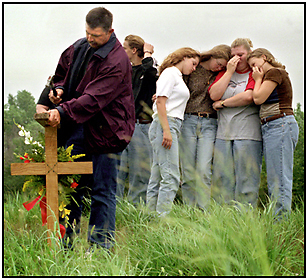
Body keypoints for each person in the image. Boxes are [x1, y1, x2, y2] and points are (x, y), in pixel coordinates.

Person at [47, 7, 135, 250]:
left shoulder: (117, 61)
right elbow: (61, 73)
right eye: (87, 33)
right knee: (72, 188)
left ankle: (100, 248)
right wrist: (61, 90)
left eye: (95, 35)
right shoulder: (79, 47)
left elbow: (94, 99)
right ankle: (65, 243)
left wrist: (62, 111)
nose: (90, 39)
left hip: (108, 132)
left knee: (102, 193)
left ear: (110, 31)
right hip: (79, 127)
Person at [209, 38, 262, 208]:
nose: (237, 58)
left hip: (248, 133)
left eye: (241, 54)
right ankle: (224, 220)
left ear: (249, 54)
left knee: (246, 179)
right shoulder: (224, 73)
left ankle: (245, 219)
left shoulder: (254, 73)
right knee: (222, 178)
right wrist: (229, 72)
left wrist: (223, 104)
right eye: (233, 55)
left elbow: (248, 97)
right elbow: (214, 94)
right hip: (224, 134)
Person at [146, 47, 200, 216]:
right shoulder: (170, 73)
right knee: (171, 176)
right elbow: (161, 103)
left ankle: (150, 218)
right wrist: (166, 131)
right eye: (193, 63)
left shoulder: (176, 76)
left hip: (170, 123)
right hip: (166, 123)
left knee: (158, 175)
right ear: (184, 57)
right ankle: (163, 219)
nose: (194, 68)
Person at [247, 48, 299, 217]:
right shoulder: (270, 75)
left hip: (280, 124)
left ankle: (281, 224)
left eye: (254, 64)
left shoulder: (275, 72)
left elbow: (258, 98)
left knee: (280, 179)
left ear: (264, 57)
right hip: (272, 126)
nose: (254, 69)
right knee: (275, 178)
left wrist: (258, 79)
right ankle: (277, 221)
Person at [180, 44, 231, 210]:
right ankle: (189, 209)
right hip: (188, 120)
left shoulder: (221, 75)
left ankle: (203, 210)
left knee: (203, 169)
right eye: (219, 62)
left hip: (210, 122)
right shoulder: (194, 68)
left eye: (223, 66)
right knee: (187, 169)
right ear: (213, 55)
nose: (219, 67)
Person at [116, 35, 158, 205]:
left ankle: (136, 210)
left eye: (125, 48)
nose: (122, 51)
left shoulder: (149, 69)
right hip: (123, 126)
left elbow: (151, 73)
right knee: (117, 171)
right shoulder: (127, 70)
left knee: (139, 173)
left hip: (142, 126)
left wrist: (147, 53)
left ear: (134, 50)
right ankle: (115, 209)